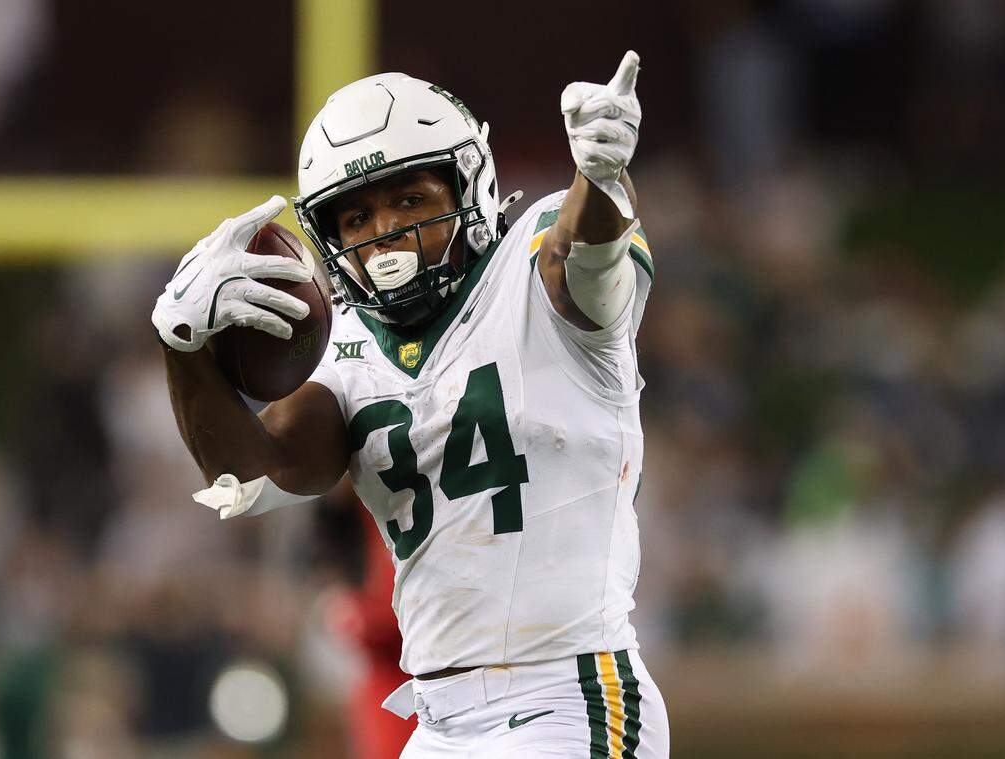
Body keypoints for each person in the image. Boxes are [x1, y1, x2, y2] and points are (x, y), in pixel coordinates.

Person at [152, 50, 669, 757]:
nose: (384, 232)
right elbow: (249, 475)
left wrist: (600, 177)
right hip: (437, 720)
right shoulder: (350, 347)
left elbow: (584, 257)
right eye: (356, 216)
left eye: (410, 200)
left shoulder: (533, 263)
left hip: (566, 695)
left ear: (469, 184)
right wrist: (181, 344)